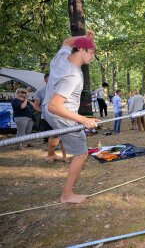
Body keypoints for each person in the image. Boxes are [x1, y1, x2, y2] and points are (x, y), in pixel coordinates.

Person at [42, 30, 100, 204]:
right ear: (81, 50)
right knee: (82, 153)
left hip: (49, 109)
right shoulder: (73, 76)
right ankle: (67, 195)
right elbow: (55, 105)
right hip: (60, 113)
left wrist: (85, 38)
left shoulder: (62, 57)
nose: (93, 56)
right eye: (91, 52)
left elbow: (67, 41)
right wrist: (82, 119)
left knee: (73, 145)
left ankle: (54, 151)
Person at [33, 73, 67, 163]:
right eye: (49, 80)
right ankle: (50, 155)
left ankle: (64, 157)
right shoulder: (40, 91)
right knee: (53, 136)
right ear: (45, 80)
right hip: (47, 118)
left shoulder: (59, 91)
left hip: (60, 117)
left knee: (64, 136)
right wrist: (45, 112)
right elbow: (36, 106)